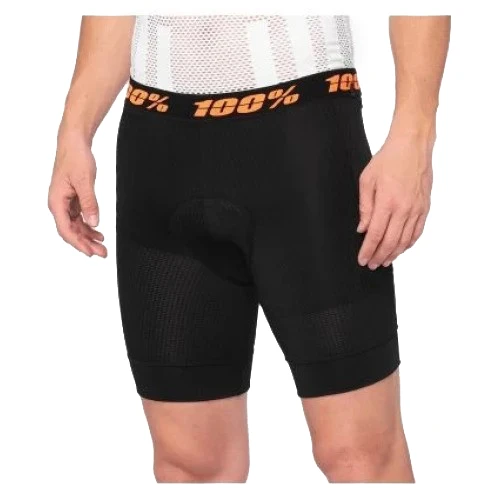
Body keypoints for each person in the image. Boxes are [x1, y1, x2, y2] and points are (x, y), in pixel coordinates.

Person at [48, 15, 450, 483]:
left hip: (303, 141)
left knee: (360, 456)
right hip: (158, 151)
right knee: (190, 464)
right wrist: (74, 130)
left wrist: (415, 135)